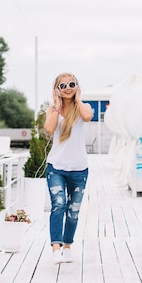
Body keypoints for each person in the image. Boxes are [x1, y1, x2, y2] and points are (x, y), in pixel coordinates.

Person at [44, 72, 94, 264]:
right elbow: (49, 129)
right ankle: (56, 248)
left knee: (73, 211)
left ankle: (67, 246)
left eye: (71, 84)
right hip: (56, 167)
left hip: (79, 169)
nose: (67, 88)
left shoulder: (83, 108)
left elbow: (88, 117)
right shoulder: (52, 110)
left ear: (77, 86)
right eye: (63, 86)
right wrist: (57, 107)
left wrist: (78, 98)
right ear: (57, 89)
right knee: (59, 205)